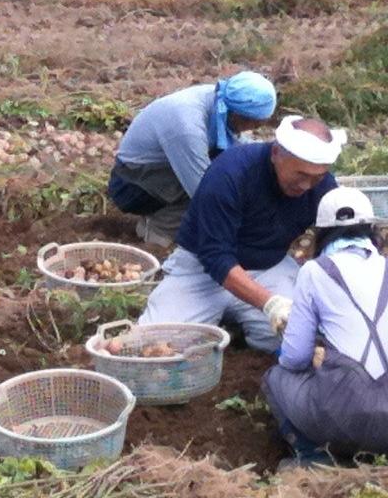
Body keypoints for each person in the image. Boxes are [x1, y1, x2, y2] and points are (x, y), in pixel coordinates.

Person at [139, 115, 346, 353]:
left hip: (269, 268)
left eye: (317, 177)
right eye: (300, 174)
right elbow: (215, 256)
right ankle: (228, 316)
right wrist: (270, 303)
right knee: (154, 345)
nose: (307, 185)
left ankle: (239, 326)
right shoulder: (231, 172)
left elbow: (338, 236)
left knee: (310, 341)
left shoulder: (322, 185)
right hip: (202, 271)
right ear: (276, 153)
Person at [262, 187, 388, 468]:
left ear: (320, 234)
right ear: (372, 231)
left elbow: (294, 357)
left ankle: (314, 459)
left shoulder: (314, 272)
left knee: (275, 377)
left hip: (345, 417)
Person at [108, 71, 277, 246]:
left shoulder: (222, 100)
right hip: (131, 184)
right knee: (218, 189)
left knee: (230, 174)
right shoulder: (186, 127)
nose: (251, 130)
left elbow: (240, 145)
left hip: (161, 166)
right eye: (254, 124)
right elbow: (203, 192)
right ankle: (157, 233)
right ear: (237, 115)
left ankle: (163, 218)